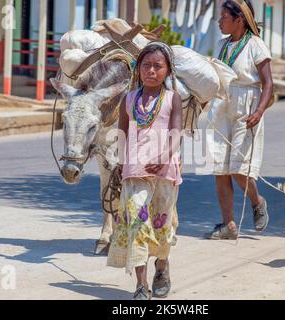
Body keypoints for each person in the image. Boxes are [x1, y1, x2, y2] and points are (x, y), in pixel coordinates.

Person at [107, 42, 183, 300]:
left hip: (165, 170)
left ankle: (161, 266)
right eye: (146, 65)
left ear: (168, 70)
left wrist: (163, 157)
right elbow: (122, 134)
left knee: (163, 225)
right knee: (137, 223)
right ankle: (141, 284)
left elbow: (176, 133)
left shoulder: (173, 99)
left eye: (158, 66)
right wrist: (119, 163)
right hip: (134, 171)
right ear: (138, 69)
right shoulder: (128, 99)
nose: (151, 70)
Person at [205, 0, 274, 240]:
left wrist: (260, 110)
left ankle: (257, 201)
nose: (220, 21)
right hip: (222, 105)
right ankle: (229, 225)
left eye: (224, 16)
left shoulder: (256, 45)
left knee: (238, 168)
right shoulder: (222, 45)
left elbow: (268, 83)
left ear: (239, 19)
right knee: (220, 168)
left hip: (247, 105)